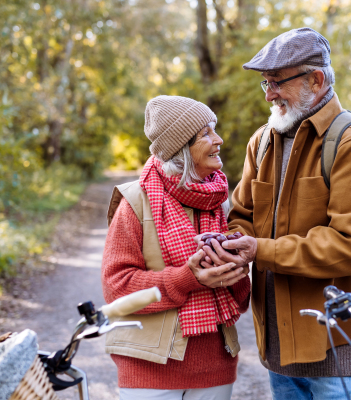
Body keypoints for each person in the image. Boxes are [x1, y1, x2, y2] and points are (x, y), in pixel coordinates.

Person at [195, 28, 351, 399]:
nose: (269, 94)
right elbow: (242, 213)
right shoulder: (263, 140)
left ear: (315, 80)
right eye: (265, 83)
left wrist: (260, 250)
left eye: (276, 82)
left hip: (334, 345)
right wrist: (232, 241)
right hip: (278, 344)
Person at [101, 95, 251, 400]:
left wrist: (234, 271)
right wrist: (188, 279)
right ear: (180, 149)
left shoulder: (219, 200)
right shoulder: (134, 203)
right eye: (206, 133)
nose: (218, 140)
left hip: (214, 366)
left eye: (215, 130)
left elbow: (239, 298)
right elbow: (118, 289)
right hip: (150, 368)